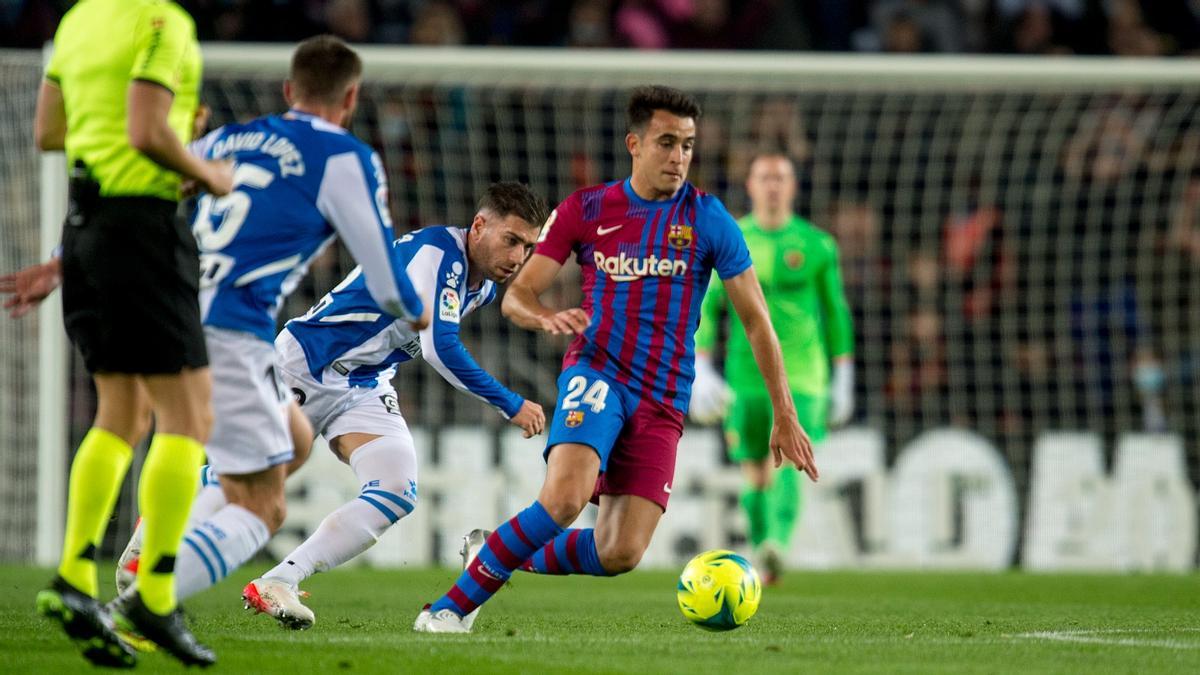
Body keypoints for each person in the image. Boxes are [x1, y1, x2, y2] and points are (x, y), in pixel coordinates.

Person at [9, 34, 426, 664]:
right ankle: (148, 600)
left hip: (163, 305)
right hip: (232, 329)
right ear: (351, 98)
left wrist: (59, 262)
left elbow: (144, 196)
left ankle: (142, 548)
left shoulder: (225, 140)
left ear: (288, 91)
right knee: (262, 502)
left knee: (275, 436)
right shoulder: (345, 156)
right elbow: (383, 273)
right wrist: (414, 310)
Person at [413, 85, 819, 634]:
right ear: (635, 143)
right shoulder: (586, 208)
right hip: (597, 372)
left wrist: (785, 412)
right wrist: (544, 318)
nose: (678, 157)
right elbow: (517, 296)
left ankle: (493, 553)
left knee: (619, 552)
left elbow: (756, 321)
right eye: (667, 143)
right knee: (564, 499)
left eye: (688, 146)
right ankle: (449, 610)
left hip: (663, 397)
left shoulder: (709, 218)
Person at [238, 183, 548, 630]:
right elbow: (439, 347)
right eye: (512, 240)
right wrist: (510, 402)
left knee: (396, 490)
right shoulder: (437, 252)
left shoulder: (481, 290)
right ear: (479, 226)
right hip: (309, 362)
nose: (519, 257)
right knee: (245, 483)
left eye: (528, 246)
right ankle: (153, 540)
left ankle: (279, 580)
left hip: (363, 383)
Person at [29, 0, 233, 667]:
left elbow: (50, 131)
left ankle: (74, 578)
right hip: (144, 227)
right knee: (190, 416)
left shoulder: (77, 20)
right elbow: (146, 131)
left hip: (83, 227)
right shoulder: (162, 22)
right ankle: (155, 591)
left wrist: (174, 130)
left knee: (121, 412)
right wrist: (206, 170)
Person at [692, 153, 855, 585]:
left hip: (803, 373)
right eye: (764, 177)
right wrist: (701, 366)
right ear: (749, 184)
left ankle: (777, 542)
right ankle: (765, 555)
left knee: (788, 461)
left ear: (793, 186)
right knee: (754, 470)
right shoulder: (733, 238)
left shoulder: (817, 244)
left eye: (781, 178)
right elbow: (708, 306)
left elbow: (835, 312)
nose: (773, 185)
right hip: (744, 374)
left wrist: (844, 375)